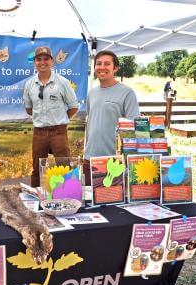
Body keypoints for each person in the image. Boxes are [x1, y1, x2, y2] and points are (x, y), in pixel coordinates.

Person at [23, 46, 79, 187]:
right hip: (39, 133)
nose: (43, 62)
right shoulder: (29, 84)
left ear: (52, 61)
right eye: (39, 59)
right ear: (34, 62)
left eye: (46, 59)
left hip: (58, 132)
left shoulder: (63, 82)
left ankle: (68, 196)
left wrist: (60, 119)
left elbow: (73, 106)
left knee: (65, 167)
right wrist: (42, 118)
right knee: (37, 168)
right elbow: (29, 109)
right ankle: (36, 198)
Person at [83, 50, 140, 185]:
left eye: (107, 64)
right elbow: (91, 124)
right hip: (89, 158)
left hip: (113, 161)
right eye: (98, 64)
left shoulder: (127, 93)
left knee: (111, 203)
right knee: (89, 202)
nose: (102, 67)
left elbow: (134, 128)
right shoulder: (91, 93)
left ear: (115, 68)